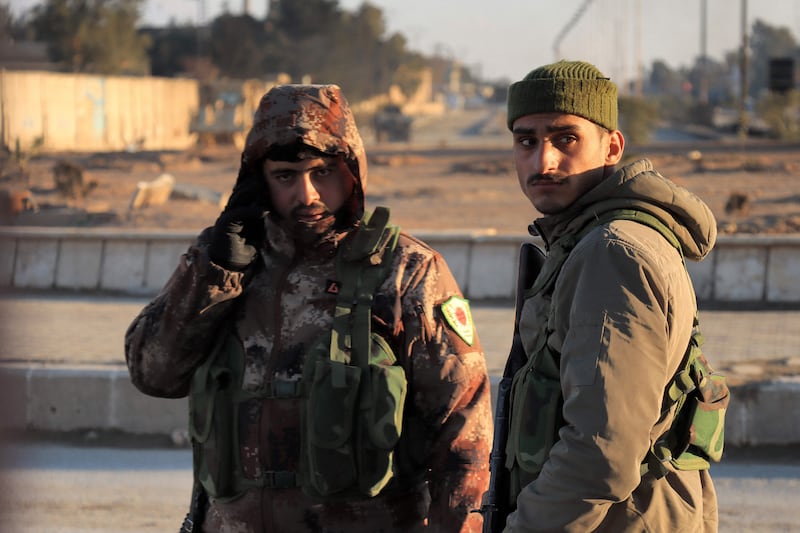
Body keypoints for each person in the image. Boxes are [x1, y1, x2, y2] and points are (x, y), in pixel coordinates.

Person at [125, 84, 492, 532]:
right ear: (257, 181)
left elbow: (463, 432)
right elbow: (153, 374)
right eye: (285, 176)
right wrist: (216, 272)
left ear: (353, 172)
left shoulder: (406, 272)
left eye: (323, 173)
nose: (307, 195)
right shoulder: (224, 261)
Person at [495, 60, 725, 532]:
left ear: (612, 146)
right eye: (526, 141)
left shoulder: (611, 253)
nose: (543, 162)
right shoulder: (592, 240)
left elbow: (602, 451)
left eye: (565, 139)